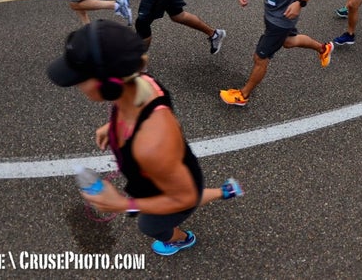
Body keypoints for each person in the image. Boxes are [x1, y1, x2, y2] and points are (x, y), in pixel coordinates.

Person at [47, 20, 242, 256]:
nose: (77, 86)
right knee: (189, 189)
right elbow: (140, 110)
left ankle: (181, 239)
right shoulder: (141, 83)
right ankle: (226, 191)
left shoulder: (152, 146)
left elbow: (185, 197)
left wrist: (124, 205)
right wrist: (114, 126)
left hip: (168, 185)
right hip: (171, 173)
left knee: (150, 225)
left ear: (109, 84)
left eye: (80, 79)